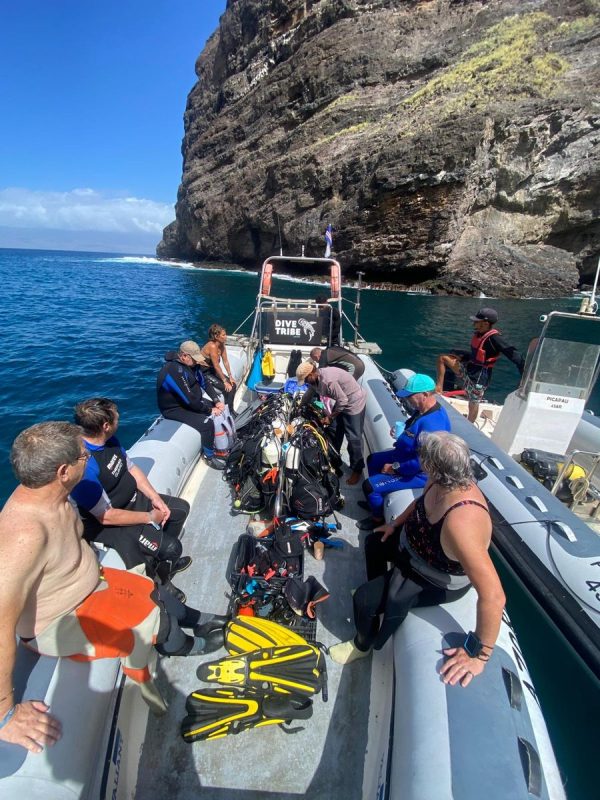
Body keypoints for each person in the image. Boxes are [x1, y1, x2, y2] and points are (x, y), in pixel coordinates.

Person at [0, 422, 227, 753]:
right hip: (60, 620)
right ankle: (182, 644)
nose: (88, 458)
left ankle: (194, 618)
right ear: (63, 471)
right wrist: (6, 712)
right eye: (82, 456)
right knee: (154, 617)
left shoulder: (57, 496)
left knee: (154, 587)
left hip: (91, 585)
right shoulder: (23, 534)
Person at [329, 431, 506, 690]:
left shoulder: (462, 522)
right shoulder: (438, 481)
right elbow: (421, 504)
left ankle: (362, 645)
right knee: (373, 544)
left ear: (431, 465)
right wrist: (395, 524)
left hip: (431, 576)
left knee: (363, 601)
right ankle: (381, 589)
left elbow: (494, 596)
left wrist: (478, 654)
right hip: (415, 546)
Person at [70, 398, 191, 598]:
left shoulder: (109, 441)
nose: (120, 419)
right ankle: (160, 584)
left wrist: (154, 498)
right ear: (105, 426)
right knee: (172, 548)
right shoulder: (85, 466)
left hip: (133, 501)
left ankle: (162, 561)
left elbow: (131, 468)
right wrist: (150, 518)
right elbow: (105, 516)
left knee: (180, 510)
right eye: (116, 417)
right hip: (108, 522)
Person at [357, 374, 451, 529]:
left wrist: (393, 468)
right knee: (372, 460)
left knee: (369, 486)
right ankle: (376, 500)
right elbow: (412, 427)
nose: (406, 400)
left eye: (410, 396)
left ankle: (377, 519)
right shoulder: (422, 410)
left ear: (426, 394)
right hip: (403, 456)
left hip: (417, 472)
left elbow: (421, 462)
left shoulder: (433, 425)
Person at [436, 308, 524, 424]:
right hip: (469, 368)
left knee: (473, 402)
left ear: (486, 323)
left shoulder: (495, 338)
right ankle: (439, 389)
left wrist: (524, 375)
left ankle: (469, 425)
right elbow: (476, 353)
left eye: (476, 321)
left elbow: (515, 356)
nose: (474, 323)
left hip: (479, 377)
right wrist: (463, 357)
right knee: (443, 358)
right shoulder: (479, 334)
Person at [157, 340, 227, 469]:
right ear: (184, 356)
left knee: (220, 408)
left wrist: (216, 401)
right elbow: (188, 399)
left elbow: (204, 382)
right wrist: (208, 411)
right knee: (207, 423)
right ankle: (209, 457)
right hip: (174, 409)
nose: (196, 362)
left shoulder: (192, 365)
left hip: (190, 402)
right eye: (194, 359)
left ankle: (221, 446)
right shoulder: (173, 371)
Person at [296, 360, 367, 485]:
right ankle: (334, 461)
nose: (306, 383)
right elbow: (309, 393)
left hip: (354, 401)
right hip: (342, 402)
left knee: (353, 437)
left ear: (311, 374)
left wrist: (330, 417)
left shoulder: (328, 380)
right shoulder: (314, 380)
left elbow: (343, 400)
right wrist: (300, 406)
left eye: (306, 380)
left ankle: (357, 470)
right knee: (333, 430)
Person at [200, 324, 237, 410]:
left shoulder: (222, 345)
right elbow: (216, 365)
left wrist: (230, 377)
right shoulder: (212, 346)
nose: (226, 336)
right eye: (223, 335)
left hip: (212, 371)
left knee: (233, 385)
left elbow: (225, 361)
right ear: (216, 336)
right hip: (204, 372)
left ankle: (230, 409)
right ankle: (228, 411)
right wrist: (224, 381)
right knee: (226, 387)